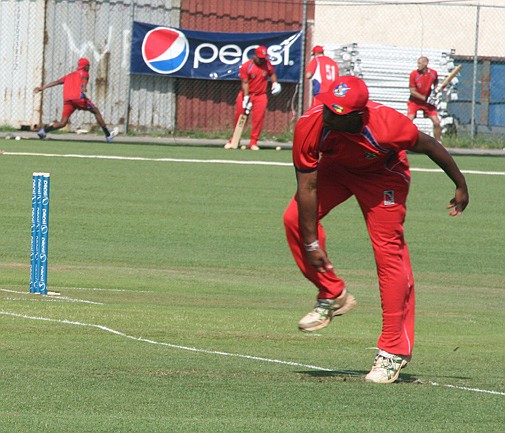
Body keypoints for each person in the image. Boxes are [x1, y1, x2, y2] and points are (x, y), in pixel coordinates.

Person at [283, 75, 469, 384]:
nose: (327, 116)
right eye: (327, 108)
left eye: (336, 114)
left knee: (388, 254)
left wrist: (460, 183)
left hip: (383, 176)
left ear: (358, 115)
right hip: (336, 170)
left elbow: (431, 145)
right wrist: (312, 243)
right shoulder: (312, 122)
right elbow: (307, 185)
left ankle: (393, 350)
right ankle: (332, 293)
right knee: (295, 221)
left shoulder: (387, 125)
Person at [34, 58, 118, 142]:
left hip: (68, 101)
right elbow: (84, 80)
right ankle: (108, 134)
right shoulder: (85, 73)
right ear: (85, 66)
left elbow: (56, 82)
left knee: (62, 123)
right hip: (78, 98)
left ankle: (43, 131)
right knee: (96, 111)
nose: (89, 68)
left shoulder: (69, 75)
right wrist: (83, 88)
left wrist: (42, 88)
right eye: (88, 66)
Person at [224, 45, 281, 151]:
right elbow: (245, 83)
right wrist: (246, 98)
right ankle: (234, 140)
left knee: (258, 119)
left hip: (261, 95)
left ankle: (253, 142)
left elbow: (272, 73)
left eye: (264, 58)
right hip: (246, 94)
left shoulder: (267, 64)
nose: (262, 60)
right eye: (260, 58)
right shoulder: (247, 66)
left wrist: (275, 83)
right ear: (255, 56)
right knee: (240, 117)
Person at [408, 56, 441, 142]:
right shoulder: (413, 74)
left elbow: (436, 82)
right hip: (415, 102)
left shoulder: (433, 73)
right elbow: (412, 91)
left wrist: (435, 90)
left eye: (419, 63)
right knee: (409, 120)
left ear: (425, 63)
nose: (418, 65)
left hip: (427, 103)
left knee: (436, 122)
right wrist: (425, 98)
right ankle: (407, 141)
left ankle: (438, 143)